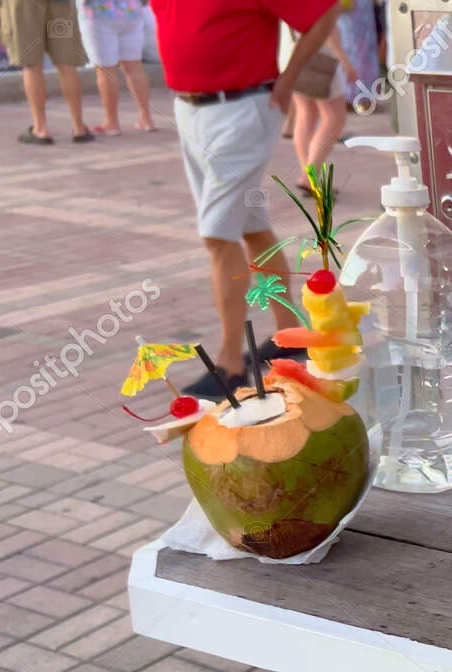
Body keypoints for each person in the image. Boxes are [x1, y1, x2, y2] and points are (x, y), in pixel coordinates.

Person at [149, 0, 341, 397]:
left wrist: (290, 77)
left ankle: (230, 363)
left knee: (218, 236)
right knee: (252, 226)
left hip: (242, 109)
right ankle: (292, 331)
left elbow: (323, 12)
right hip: (190, 109)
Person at [1, 0, 90, 144]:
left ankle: (41, 129)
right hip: (59, 4)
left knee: (32, 65)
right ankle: (79, 127)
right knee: (66, 64)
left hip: (25, 5)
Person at [289, 21, 355, 177]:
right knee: (335, 118)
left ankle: (308, 175)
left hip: (297, 54)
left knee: (305, 114)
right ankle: (309, 177)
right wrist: (345, 61)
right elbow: (326, 25)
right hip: (322, 60)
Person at [80, 0, 155, 134]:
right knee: (134, 67)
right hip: (131, 11)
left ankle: (112, 122)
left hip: (99, 13)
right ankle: (147, 119)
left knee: (106, 70)